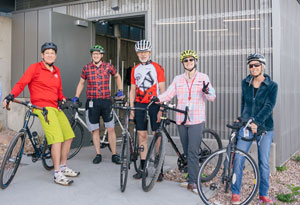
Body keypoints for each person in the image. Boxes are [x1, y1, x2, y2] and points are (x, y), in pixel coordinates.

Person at [2, 42, 79, 186]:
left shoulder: (57, 71)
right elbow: (21, 83)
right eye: (47, 53)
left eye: (52, 53)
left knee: (68, 136)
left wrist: (63, 100)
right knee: (56, 138)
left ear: (55, 56)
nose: (50, 55)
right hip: (41, 107)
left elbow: (59, 91)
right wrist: (11, 95)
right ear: (42, 55)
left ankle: (63, 166)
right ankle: (57, 174)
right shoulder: (35, 68)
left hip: (55, 107)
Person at [157, 50, 216, 194]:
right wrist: (157, 99)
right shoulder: (178, 79)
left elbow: (212, 97)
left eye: (191, 60)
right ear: (182, 63)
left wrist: (207, 91)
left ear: (195, 61)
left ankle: (193, 182)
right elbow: (169, 93)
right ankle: (191, 176)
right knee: (187, 152)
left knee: (192, 151)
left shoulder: (203, 77)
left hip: (196, 119)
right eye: (185, 60)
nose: (188, 62)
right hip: (181, 120)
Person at [231, 53, 278, 204]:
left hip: (264, 128)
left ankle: (263, 193)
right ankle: (235, 192)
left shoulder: (272, 86)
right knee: (238, 158)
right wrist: (241, 118)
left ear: (262, 66)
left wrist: (256, 122)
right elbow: (244, 103)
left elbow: (269, 106)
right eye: (251, 65)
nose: (253, 68)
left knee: (263, 161)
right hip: (246, 126)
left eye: (256, 65)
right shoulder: (245, 82)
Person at [73, 45, 123, 164]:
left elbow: (117, 76)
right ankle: (98, 154)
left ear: (101, 55)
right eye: (93, 54)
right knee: (95, 130)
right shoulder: (86, 68)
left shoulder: (108, 66)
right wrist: (76, 96)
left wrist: (120, 89)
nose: (95, 56)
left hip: (106, 101)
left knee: (110, 128)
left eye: (98, 54)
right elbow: (81, 83)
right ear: (92, 55)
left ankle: (114, 154)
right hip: (92, 102)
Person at [129, 40, 166, 181]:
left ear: (150, 52)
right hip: (139, 104)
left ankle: (159, 168)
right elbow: (133, 89)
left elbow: (162, 89)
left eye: (145, 52)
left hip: (155, 104)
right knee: (142, 136)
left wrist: (161, 108)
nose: (142, 54)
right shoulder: (135, 69)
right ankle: (143, 168)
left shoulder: (157, 68)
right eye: (140, 52)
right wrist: (132, 107)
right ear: (137, 53)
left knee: (157, 136)